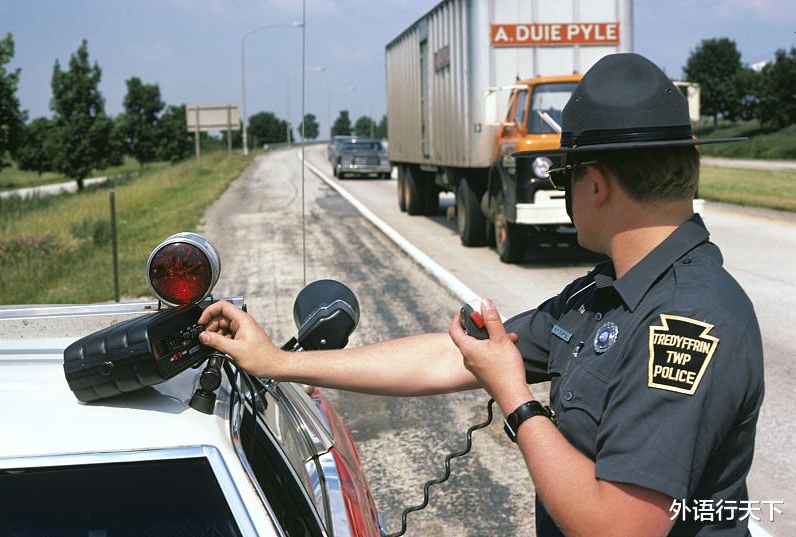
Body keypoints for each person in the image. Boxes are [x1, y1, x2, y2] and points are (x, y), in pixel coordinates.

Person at [198, 53, 764, 536]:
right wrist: (277, 361)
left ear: (597, 185)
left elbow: (620, 524)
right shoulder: (602, 294)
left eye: (563, 177)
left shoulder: (690, 319)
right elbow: (455, 354)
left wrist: (517, 402)